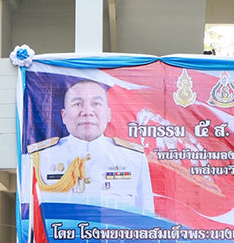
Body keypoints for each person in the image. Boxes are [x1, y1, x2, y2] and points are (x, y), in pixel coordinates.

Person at [30, 79, 154, 214]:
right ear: (64, 116)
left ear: (108, 114)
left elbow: (146, 218)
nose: (87, 111)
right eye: (77, 104)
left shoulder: (134, 159)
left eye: (96, 103)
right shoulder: (38, 158)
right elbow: (28, 214)